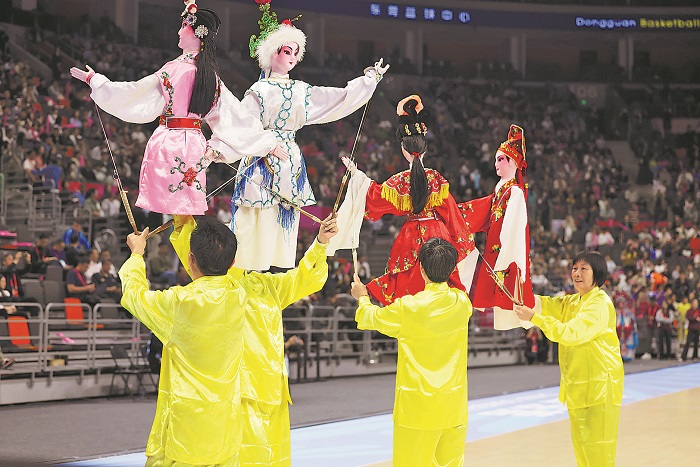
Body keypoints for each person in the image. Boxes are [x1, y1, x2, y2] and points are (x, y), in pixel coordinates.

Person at [207, 0, 389, 270]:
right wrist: (229, 148)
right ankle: (245, 270)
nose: (292, 57)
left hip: (289, 162)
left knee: (284, 225)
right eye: (286, 50)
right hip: (261, 160)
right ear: (272, 53)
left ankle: (277, 274)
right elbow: (242, 125)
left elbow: (336, 98)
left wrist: (368, 81)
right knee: (255, 220)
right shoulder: (260, 90)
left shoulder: (301, 90)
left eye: (296, 52)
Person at [70, 1, 280, 216]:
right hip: (195, 145)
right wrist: (265, 142)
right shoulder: (210, 76)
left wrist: (96, 81)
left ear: (197, 33)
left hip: (168, 141)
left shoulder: (174, 69)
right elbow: (234, 116)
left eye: (183, 26)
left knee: (171, 212)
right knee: (185, 213)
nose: (179, 32)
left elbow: (134, 93)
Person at [169, 213, 337, 467]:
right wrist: (182, 210)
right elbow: (192, 246)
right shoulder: (210, 286)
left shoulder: (265, 284)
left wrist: (321, 243)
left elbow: (306, 277)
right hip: (232, 394)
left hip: (270, 393)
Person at [119, 218, 244, 466]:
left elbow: (133, 296)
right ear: (232, 263)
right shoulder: (238, 293)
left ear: (190, 259)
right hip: (226, 425)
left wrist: (136, 254)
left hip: (186, 427)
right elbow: (210, 270)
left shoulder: (180, 302)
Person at [330, 95, 474, 305]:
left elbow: (374, 198)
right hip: (438, 233)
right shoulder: (436, 179)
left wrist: (356, 174)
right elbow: (451, 213)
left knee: (407, 283)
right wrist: (462, 242)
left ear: (403, 149)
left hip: (411, 236)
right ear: (425, 149)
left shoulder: (400, 181)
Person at [351, 238, 472, 466]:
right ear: (452, 270)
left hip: (417, 408)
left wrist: (363, 298)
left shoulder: (409, 307)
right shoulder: (462, 303)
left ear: (422, 269)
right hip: (453, 406)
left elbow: (370, 317)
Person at [514, 250, 624, 467]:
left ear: (597, 274)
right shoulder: (573, 302)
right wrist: (518, 291)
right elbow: (546, 305)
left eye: (584, 269)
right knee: (583, 451)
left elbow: (571, 333)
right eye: (574, 268)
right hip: (578, 388)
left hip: (600, 387)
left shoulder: (599, 304)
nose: (577, 273)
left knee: (598, 452)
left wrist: (535, 318)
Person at [459, 125, 535, 330]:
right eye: (496, 160)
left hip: (505, 248)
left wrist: (506, 252)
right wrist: (457, 213)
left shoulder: (515, 192)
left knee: (509, 291)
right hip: (495, 246)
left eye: (501, 159)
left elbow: (514, 226)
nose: (496, 164)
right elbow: (482, 209)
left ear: (513, 162)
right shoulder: (500, 190)